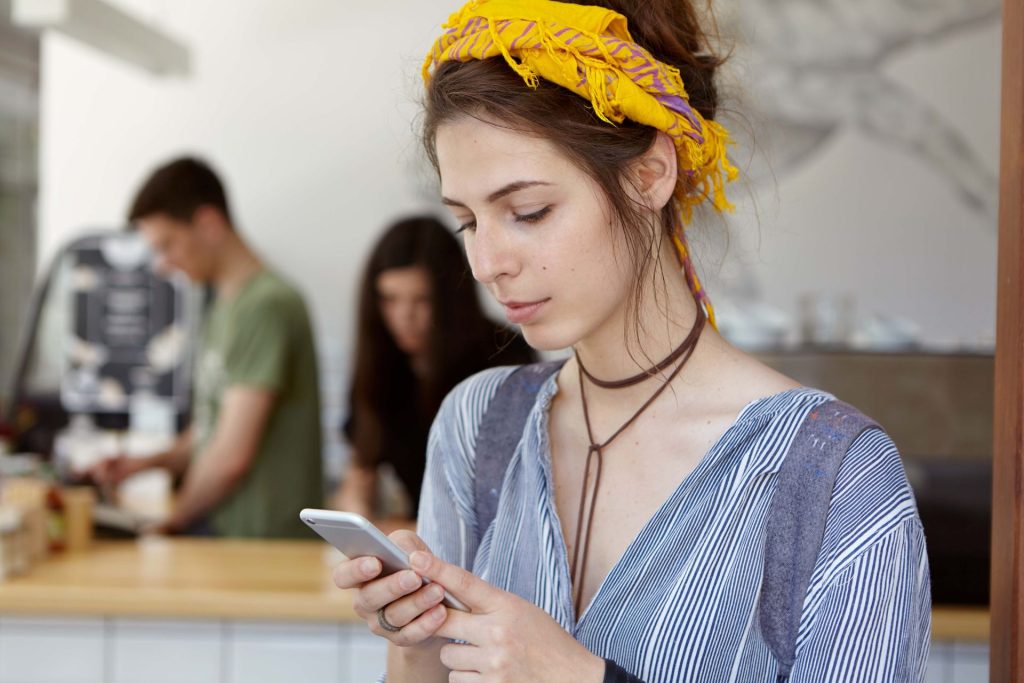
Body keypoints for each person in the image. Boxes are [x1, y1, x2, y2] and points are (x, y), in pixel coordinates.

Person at [332, 1, 931, 681]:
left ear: (650, 175)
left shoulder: (832, 479)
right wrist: (415, 644)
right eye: (469, 222)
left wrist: (582, 675)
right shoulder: (477, 429)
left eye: (528, 212)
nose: (486, 262)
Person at [90, 157, 323, 539]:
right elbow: (211, 428)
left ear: (209, 224)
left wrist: (169, 522)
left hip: (260, 549)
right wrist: (145, 463)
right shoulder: (222, 306)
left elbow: (230, 457)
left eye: (168, 244)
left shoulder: (265, 306)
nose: (164, 265)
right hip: (225, 532)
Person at [333, 216, 534, 528]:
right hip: (416, 544)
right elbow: (358, 476)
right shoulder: (382, 363)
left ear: (450, 300)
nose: (404, 317)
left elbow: (509, 503)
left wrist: (392, 529)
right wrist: (358, 516)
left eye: (422, 300)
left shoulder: (503, 357)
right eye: (389, 299)